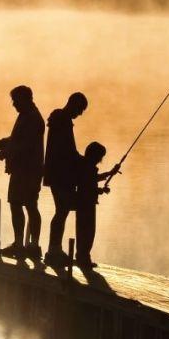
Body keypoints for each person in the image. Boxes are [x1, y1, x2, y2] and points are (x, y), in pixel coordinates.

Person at [0, 85, 44, 259]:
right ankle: (26, 245)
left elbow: (25, 146)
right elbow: (17, 140)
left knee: (22, 205)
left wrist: (4, 153)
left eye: (15, 100)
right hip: (27, 170)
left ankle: (24, 245)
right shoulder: (27, 116)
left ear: (25, 99)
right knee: (25, 205)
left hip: (26, 171)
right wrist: (1, 143)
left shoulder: (32, 118)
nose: (13, 104)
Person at [42, 91, 88, 268]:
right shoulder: (63, 121)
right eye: (80, 109)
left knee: (61, 211)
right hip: (61, 174)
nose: (80, 113)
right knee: (61, 211)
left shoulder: (60, 119)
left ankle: (55, 249)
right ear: (73, 104)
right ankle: (54, 250)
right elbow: (67, 151)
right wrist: (84, 162)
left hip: (56, 173)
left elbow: (67, 150)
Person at [74, 141, 118, 269]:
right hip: (86, 204)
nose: (101, 160)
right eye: (100, 157)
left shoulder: (85, 166)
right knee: (87, 232)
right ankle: (84, 258)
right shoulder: (88, 168)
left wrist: (109, 174)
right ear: (95, 156)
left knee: (83, 231)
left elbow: (92, 180)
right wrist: (101, 190)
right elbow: (89, 186)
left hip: (84, 203)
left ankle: (82, 257)